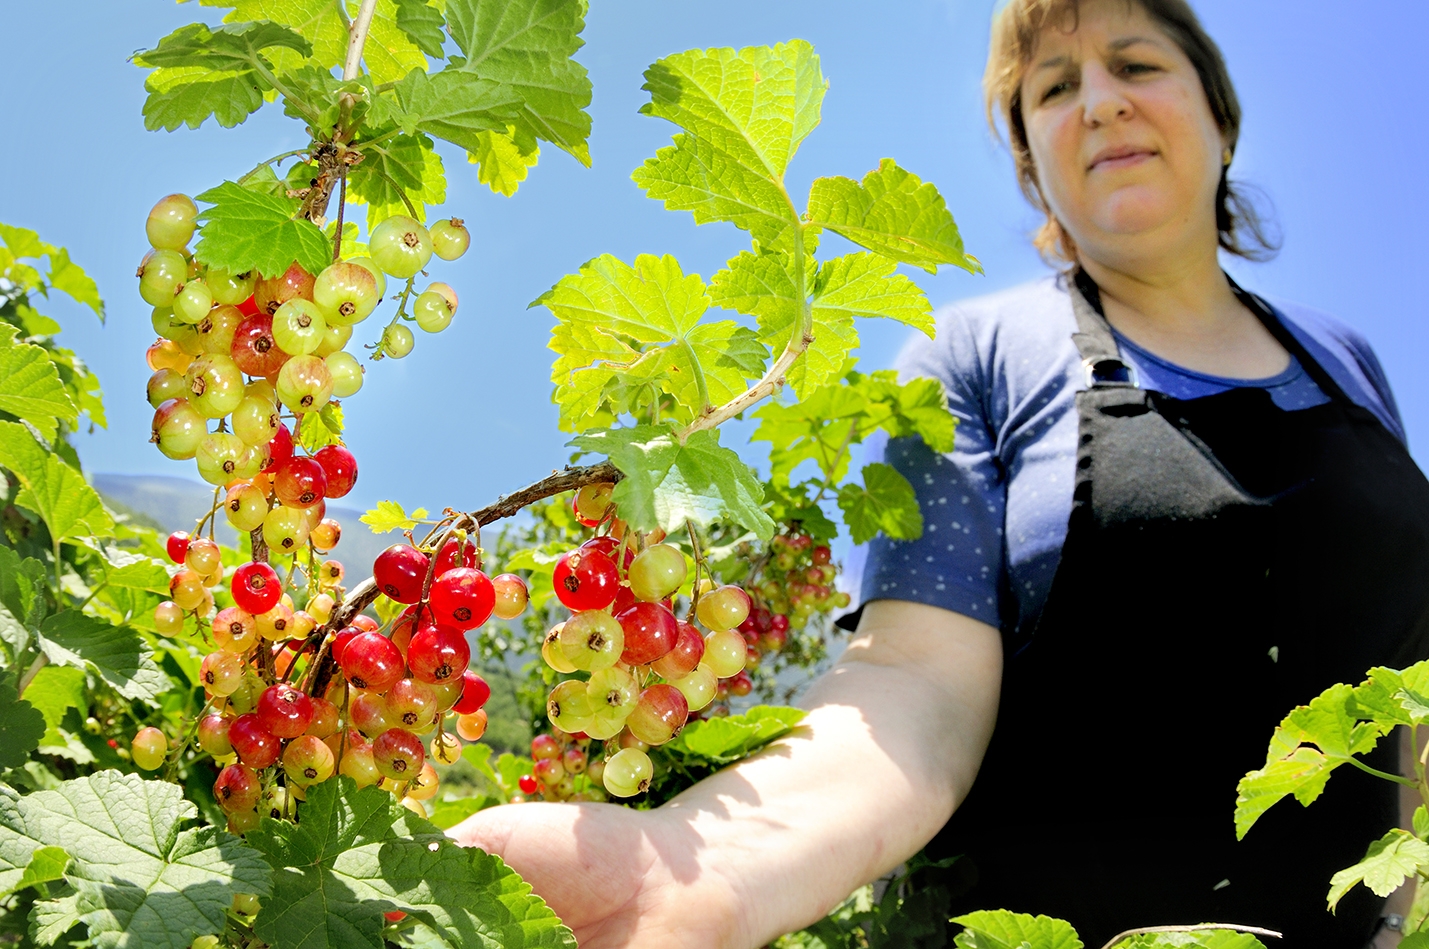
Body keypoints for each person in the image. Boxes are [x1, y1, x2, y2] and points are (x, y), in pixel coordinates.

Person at [450, 0, 1429, 945]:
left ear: (1218, 112)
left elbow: (1411, 677)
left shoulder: (1342, 362)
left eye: (1135, 65)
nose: (1098, 101)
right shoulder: (976, 355)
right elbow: (916, 686)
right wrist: (708, 859)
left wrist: (1405, 910)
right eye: (1053, 89)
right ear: (1033, 167)